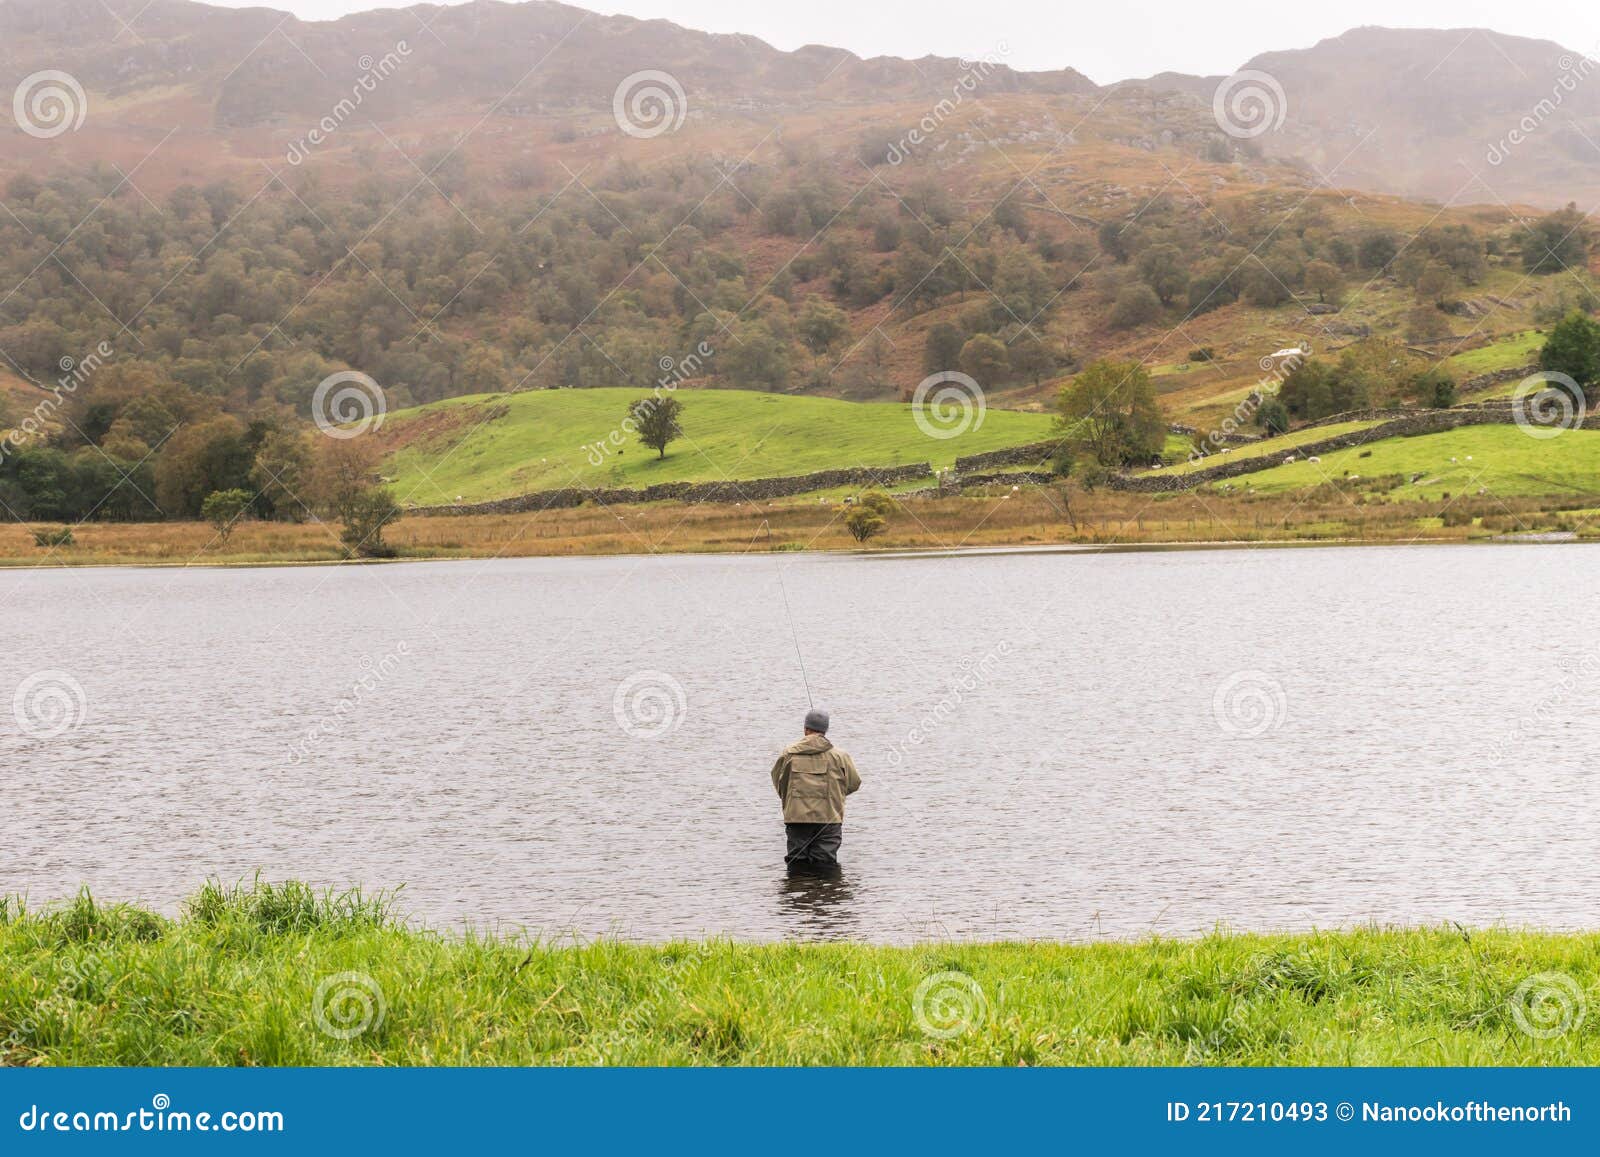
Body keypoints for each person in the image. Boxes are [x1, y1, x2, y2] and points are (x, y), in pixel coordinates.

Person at [770, 707, 861, 868]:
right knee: (825, 865)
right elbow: (854, 783)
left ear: (806, 729)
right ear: (825, 730)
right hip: (829, 818)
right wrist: (836, 795)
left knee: (797, 864)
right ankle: (826, 892)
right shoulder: (840, 756)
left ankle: (798, 890)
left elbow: (778, 782)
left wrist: (792, 800)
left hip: (796, 818)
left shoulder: (788, 754)